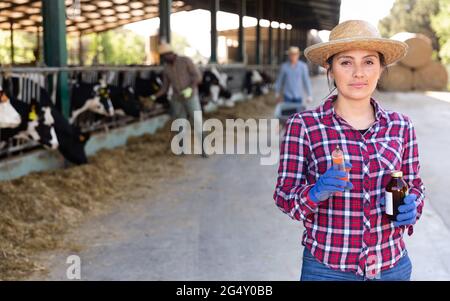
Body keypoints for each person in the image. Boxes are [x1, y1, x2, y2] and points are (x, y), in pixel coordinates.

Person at [273, 20, 425, 281]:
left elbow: (414, 185)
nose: (359, 73)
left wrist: (413, 206)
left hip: (392, 266)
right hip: (327, 269)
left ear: (380, 68)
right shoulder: (304, 126)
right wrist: (314, 193)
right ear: (329, 68)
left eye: (368, 62)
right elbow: (284, 196)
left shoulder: (401, 126)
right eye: (345, 62)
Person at [152, 43, 207, 158]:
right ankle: (182, 149)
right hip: (177, 98)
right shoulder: (166, 68)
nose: (165, 58)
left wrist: (190, 89)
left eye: (165, 56)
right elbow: (165, 87)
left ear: (170, 53)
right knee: (180, 124)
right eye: (163, 56)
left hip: (191, 96)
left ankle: (204, 149)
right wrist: (154, 96)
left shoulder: (185, 61)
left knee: (197, 121)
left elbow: (197, 77)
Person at [274, 46, 313, 122]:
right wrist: (277, 93)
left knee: (297, 118)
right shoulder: (284, 67)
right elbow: (279, 81)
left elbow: (306, 81)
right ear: (289, 55)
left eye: (295, 54)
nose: (293, 56)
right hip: (287, 96)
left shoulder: (303, 67)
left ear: (298, 55)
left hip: (298, 96)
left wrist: (309, 95)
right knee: (287, 117)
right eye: (291, 54)